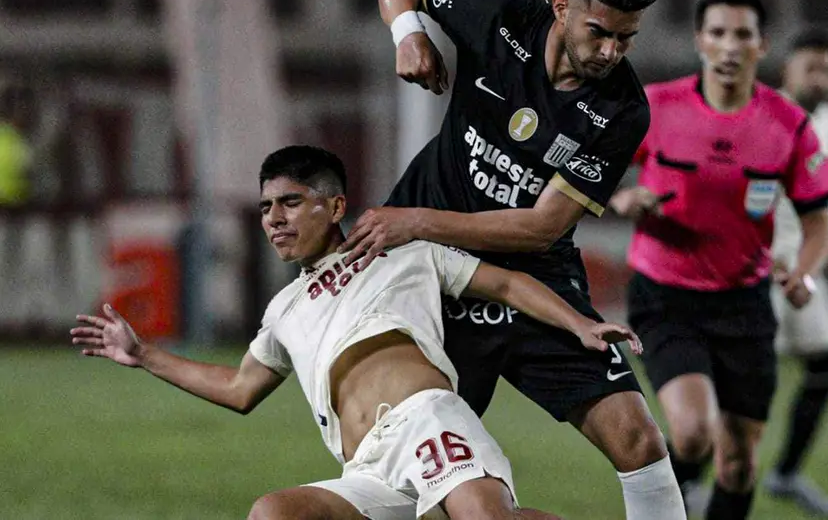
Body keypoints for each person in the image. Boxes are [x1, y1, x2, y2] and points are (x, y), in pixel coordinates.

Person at [71, 145, 643, 520]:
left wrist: (581, 324)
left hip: (427, 420)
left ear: (336, 204)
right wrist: (145, 355)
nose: (273, 218)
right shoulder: (284, 308)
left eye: (291, 202)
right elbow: (238, 389)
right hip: (367, 466)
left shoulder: (404, 252)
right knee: (272, 514)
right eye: (267, 206)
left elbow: (509, 285)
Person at [340, 0, 686, 519]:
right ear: (560, 7)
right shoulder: (498, 18)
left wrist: (415, 220)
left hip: (533, 278)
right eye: (599, 32)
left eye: (626, 39)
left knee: (639, 440)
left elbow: (540, 228)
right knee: (415, 481)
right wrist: (409, 33)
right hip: (429, 279)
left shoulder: (623, 110)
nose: (611, 51)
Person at [609, 0, 828, 520]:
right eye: (717, 33)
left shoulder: (788, 126)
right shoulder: (658, 107)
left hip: (744, 302)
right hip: (665, 296)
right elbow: (600, 172)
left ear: (762, 45)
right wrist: (623, 198)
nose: (729, 46)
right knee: (691, 435)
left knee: (738, 463)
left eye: (742, 35)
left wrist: (804, 273)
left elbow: (819, 223)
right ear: (699, 41)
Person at [762, 28, 828, 518]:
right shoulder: (764, 116)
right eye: (811, 67)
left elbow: (823, 188)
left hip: (806, 260)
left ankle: (786, 473)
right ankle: (684, 477)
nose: (821, 78)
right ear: (787, 72)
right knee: (745, 383)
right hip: (763, 264)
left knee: (825, 366)